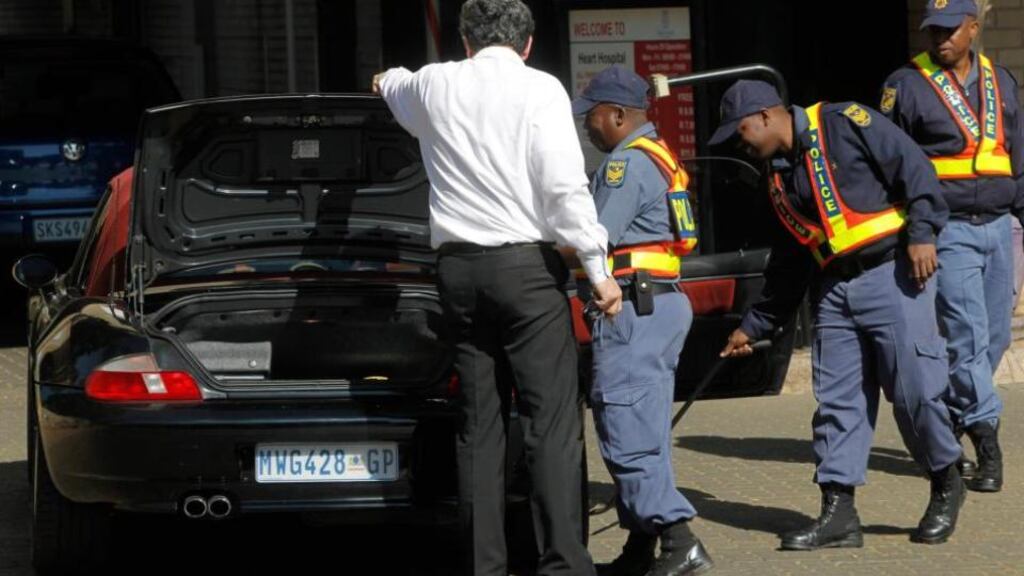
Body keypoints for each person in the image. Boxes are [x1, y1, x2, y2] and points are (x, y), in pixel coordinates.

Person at [373, 1, 622, 574]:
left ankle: (486, 567)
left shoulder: (433, 85)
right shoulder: (541, 90)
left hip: (458, 274)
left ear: (464, 40)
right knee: (550, 426)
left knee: (478, 429)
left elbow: (394, 82)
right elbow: (563, 186)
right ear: (528, 43)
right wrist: (598, 270)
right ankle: (562, 564)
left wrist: (382, 79)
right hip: (526, 274)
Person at [711, 80, 966, 549]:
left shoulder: (845, 121)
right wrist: (755, 324)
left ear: (767, 115)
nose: (738, 140)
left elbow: (915, 169)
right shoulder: (775, 178)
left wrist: (925, 233)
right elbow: (789, 262)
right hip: (833, 291)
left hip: (892, 275)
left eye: (741, 128)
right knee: (836, 403)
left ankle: (946, 479)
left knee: (915, 394)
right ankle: (839, 513)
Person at [569, 66, 710, 576]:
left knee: (626, 428)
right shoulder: (663, 157)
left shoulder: (624, 165)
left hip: (632, 306)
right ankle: (640, 550)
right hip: (659, 302)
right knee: (645, 431)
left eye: (593, 116)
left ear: (619, 115)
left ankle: (679, 540)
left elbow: (592, 239)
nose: (587, 126)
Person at [879, 0, 1023, 492]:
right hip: (950, 228)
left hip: (1002, 227)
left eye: (948, 30)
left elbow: (1017, 154)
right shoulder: (904, 85)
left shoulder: (1001, 79)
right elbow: (892, 168)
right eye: (930, 31)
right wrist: (919, 232)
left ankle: (949, 421)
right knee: (966, 337)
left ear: (973, 28)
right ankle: (987, 443)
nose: (938, 39)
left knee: (994, 339)